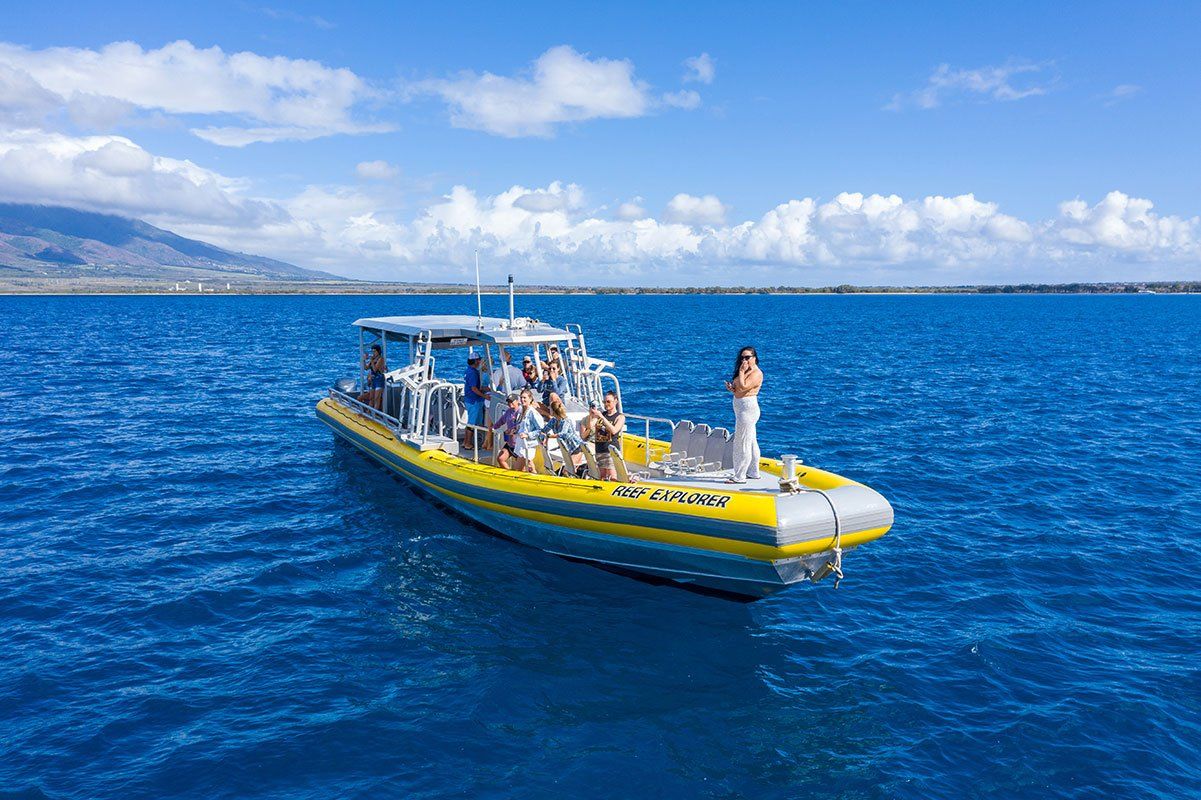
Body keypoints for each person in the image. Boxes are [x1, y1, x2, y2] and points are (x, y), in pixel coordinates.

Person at [724, 346, 763, 484]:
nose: (744, 360)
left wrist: (741, 371)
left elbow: (745, 386)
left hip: (748, 410)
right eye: (742, 357)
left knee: (742, 442)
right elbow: (739, 389)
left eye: (747, 357)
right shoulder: (745, 371)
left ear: (754, 358)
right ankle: (753, 472)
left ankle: (740, 476)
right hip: (740, 409)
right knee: (751, 441)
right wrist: (732, 389)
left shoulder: (756, 373)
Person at [582, 391, 625, 481]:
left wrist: (602, 417)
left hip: (610, 451)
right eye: (604, 402)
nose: (606, 404)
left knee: (612, 477)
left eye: (608, 401)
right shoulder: (602, 414)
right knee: (602, 477)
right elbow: (590, 426)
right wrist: (591, 415)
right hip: (600, 450)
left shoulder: (619, 417)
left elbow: (614, 430)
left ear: (615, 401)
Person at [540, 398, 587, 477]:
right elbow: (545, 430)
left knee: (568, 470)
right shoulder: (553, 420)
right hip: (568, 449)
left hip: (577, 448)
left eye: (550, 409)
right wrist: (540, 435)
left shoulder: (566, 421)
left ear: (553, 411)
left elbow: (563, 433)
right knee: (568, 470)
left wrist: (550, 436)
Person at [513, 388, 545, 472]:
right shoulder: (522, 411)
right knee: (528, 466)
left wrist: (528, 435)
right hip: (521, 443)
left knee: (518, 468)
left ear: (530, 399)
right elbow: (522, 426)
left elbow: (541, 430)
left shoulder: (533, 412)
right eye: (521, 397)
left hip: (527, 444)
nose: (522, 400)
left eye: (524, 398)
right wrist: (515, 431)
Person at [462, 351, 488, 449]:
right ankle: (468, 443)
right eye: (479, 359)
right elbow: (474, 388)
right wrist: (485, 396)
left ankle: (465, 442)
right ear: (476, 361)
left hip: (470, 399)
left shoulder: (469, 370)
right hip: (474, 400)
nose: (480, 361)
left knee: (470, 422)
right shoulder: (473, 373)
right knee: (472, 423)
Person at [490, 393, 522, 469]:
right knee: (500, 458)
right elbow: (502, 420)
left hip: (519, 444)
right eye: (508, 402)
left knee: (524, 467)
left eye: (512, 401)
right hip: (510, 443)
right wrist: (494, 427)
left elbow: (521, 425)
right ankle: (510, 475)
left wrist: (512, 430)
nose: (510, 403)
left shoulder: (521, 411)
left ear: (517, 401)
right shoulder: (509, 411)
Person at [357, 344, 386, 410]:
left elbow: (375, 369)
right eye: (372, 351)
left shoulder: (381, 359)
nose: (373, 353)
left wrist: (372, 361)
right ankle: (369, 412)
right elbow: (366, 368)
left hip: (379, 380)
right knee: (371, 398)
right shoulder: (373, 359)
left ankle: (375, 413)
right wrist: (364, 360)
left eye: (374, 351)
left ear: (378, 352)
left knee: (376, 398)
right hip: (374, 380)